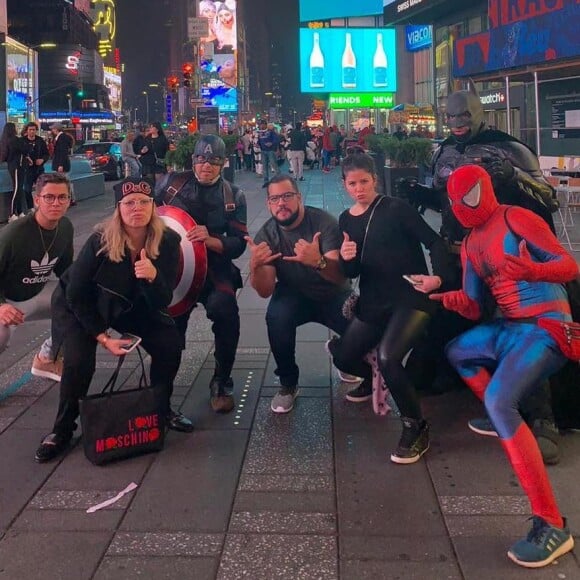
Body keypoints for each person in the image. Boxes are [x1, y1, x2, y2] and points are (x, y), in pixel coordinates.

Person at [400, 85, 563, 461]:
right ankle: (456, 384)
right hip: (457, 254)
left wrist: (514, 177)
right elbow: (447, 201)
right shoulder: (442, 150)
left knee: (521, 327)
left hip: (502, 255)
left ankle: (542, 419)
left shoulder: (509, 149)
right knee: (451, 316)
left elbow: (548, 199)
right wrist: (419, 194)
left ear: (480, 114)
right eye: (451, 117)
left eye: (464, 116)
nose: (457, 123)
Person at [432, 165, 578, 568]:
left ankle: (551, 524)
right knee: (459, 351)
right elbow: (476, 305)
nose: (462, 208)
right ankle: (503, 418)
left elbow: (569, 266)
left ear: (485, 190)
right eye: (455, 203)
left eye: (469, 199)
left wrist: (535, 270)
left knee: (499, 399)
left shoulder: (517, 218)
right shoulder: (471, 244)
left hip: (546, 325)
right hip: (509, 327)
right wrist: (450, 298)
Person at [34, 177, 192, 464]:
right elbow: (76, 294)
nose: (137, 208)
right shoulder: (101, 240)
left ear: (153, 206)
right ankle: (62, 429)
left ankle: (160, 409)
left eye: (144, 202)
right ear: (118, 208)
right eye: (129, 203)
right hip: (81, 306)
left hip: (129, 303)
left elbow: (161, 300)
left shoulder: (168, 241)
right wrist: (103, 336)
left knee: (169, 343)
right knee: (79, 361)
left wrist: (153, 278)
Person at [326, 150, 453, 464]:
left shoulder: (397, 209)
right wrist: (346, 256)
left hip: (411, 297)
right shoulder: (345, 219)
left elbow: (434, 241)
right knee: (342, 354)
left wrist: (438, 279)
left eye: (365, 181)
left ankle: (415, 425)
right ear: (344, 185)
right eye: (353, 183)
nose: (359, 188)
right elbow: (352, 273)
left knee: (388, 357)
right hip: (374, 301)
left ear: (375, 181)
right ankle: (371, 380)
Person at [247, 173, 372, 414]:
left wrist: (318, 262)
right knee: (276, 318)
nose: (281, 203)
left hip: (332, 292)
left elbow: (340, 277)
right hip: (292, 293)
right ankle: (288, 384)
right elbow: (264, 291)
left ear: (299, 197)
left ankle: (350, 361)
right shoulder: (266, 234)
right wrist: (255, 267)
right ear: (268, 204)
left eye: (287, 196)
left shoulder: (323, 223)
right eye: (275, 199)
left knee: (363, 332)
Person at [156, 135, 247, 413]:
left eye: (213, 160)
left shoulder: (233, 196)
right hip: (176, 268)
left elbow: (239, 244)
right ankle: (161, 389)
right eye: (201, 159)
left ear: (223, 164)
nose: (206, 165)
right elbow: (149, 217)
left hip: (214, 269)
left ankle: (221, 379)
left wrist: (213, 239)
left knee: (226, 311)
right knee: (170, 327)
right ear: (193, 160)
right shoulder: (171, 185)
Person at [0, 173, 74, 382]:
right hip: (7, 302)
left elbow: (66, 271)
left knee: (81, 305)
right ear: (37, 199)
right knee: (1, 335)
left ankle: (47, 358)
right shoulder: (15, 233)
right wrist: (1, 306)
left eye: (62, 197)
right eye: (49, 197)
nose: (56, 203)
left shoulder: (65, 227)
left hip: (36, 294)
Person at [19, 122, 49, 212]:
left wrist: (42, 160)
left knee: (42, 188)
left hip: (39, 169)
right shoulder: (22, 141)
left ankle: (42, 206)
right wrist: (26, 159)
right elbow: (18, 154)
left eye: (34, 130)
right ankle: (31, 208)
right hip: (27, 170)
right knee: (27, 189)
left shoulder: (40, 141)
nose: (32, 132)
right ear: (26, 131)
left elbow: (46, 154)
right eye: (30, 130)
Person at [0, 122, 26, 220]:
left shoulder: (5, 141)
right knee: (17, 189)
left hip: (13, 166)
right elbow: (25, 149)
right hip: (17, 166)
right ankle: (12, 213)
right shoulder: (15, 140)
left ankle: (19, 211)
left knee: (18, 188)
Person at [258, 122, 280, 187]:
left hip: (270, 151)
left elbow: (276, 140)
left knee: (273, 164)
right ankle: (266, 181)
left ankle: (279, 179)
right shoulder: (260, 133)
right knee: (264, 166)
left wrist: (271, 143)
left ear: (265, 125)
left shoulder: (271, 132)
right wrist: (257, 144)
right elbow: (259, 140)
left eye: (262, 124)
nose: (261, 125)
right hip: (263, 151)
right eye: (260, 124)